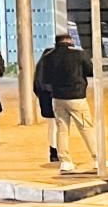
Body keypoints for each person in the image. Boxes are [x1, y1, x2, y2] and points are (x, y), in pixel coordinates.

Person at [31, 32, 92, 172]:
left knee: (62, 130)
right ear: (68, 40)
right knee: (85, 127)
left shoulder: (48, 57)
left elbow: (44, 79)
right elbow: (90, 70)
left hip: (57, 97)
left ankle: (64, 161)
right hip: (76, 96)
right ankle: (96, 158)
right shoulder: (78, 54)